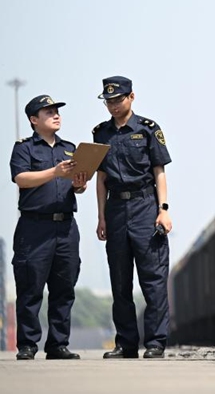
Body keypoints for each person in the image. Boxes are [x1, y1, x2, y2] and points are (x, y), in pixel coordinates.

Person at [92, 76, 172, 359]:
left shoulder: (149, 129)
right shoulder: (100, 134)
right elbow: (100, 179)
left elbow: (158, 171)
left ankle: (155, 342)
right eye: (109, 101)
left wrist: (163, 209)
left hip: (145, 207)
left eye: (118, 100)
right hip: (115, 211)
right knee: (120, 281)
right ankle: (126, 343)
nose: (113, 106)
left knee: (153, 279)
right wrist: (101, 217)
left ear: (132, 97)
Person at [9, 95, 88, 360]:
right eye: (49, 112)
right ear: (34, 120)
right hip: (34, 227)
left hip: (66, 227)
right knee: (30, 289)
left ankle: (57, 344)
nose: (56, 115)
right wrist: (54, 172)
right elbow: (21, 178)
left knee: (64, 288)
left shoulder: (70, 148)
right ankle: (28, 345)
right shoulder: (24, 149)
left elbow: (78, 187)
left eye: (57, 111)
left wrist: (79, 183)